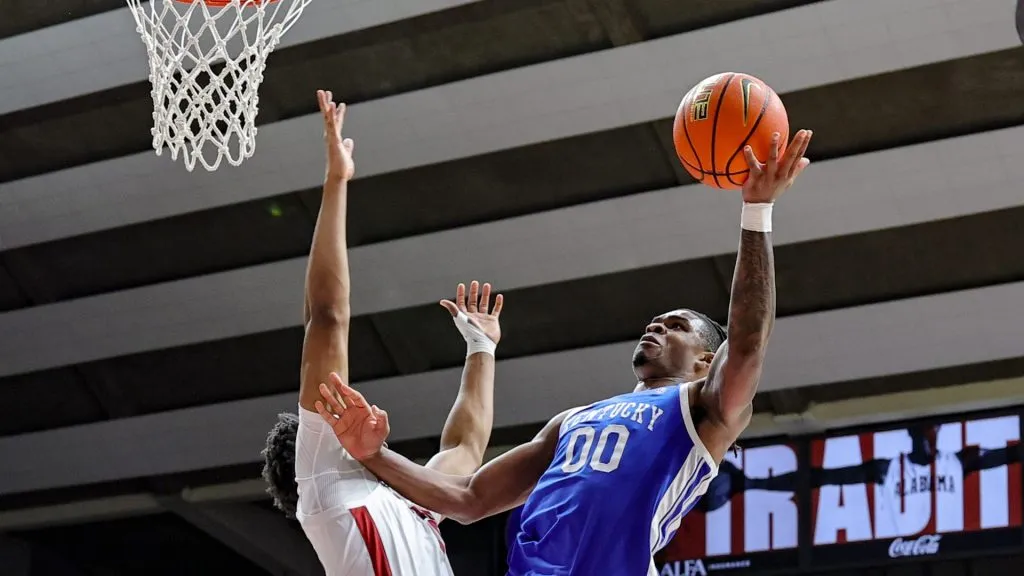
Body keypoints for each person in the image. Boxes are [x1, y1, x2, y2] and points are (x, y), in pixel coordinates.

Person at [314, 129, 814, 575]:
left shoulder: (703, 409)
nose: (656, 328)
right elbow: (469, 498)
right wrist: (374, 454)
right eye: (654, 322)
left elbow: (747, 344)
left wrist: (756, 212)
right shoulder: (572, 420)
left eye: (676, 327)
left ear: (706, 361)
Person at [260, 89, 506, 576]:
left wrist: (481, 346)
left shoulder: (408, 500)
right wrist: (336, 181)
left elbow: (465, 450)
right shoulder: (325, 482)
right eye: (323, 421)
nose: (341, 415)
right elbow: (327, 316)